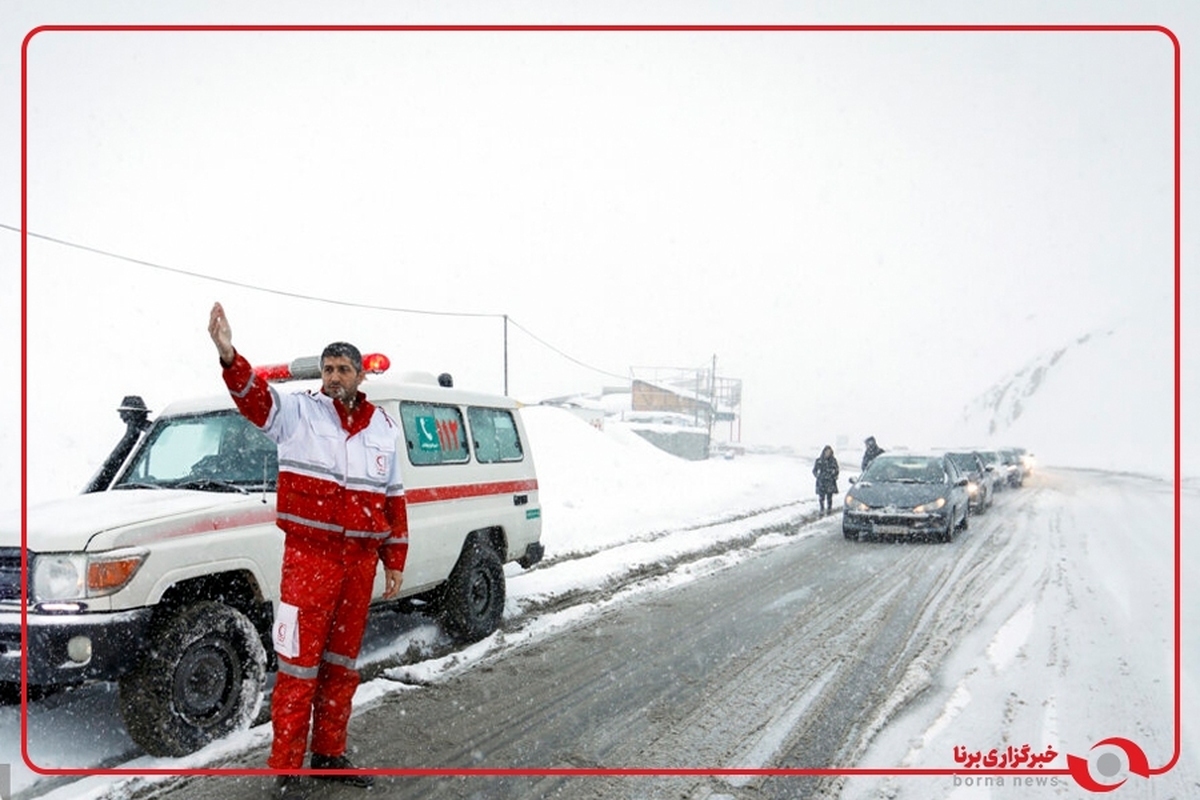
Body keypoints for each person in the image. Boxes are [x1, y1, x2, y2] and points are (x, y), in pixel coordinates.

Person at [207, 302, 407, 798]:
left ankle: (329, 755)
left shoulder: (384, 426)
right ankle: (287, 768)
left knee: (342, 667)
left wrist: (393, 559)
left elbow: (393, 499)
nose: (334, 376)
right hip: (309, 560)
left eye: (343, 369)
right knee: (298, 668)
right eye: (328, 369)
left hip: (359, 564)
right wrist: (230, 355)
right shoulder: (298, 412)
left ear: (360, 375)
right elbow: (255, 401)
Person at [812, 445, 840, 514]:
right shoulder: (819, 461)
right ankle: (822, 508)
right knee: (821, 497)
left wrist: (835, 475)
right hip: (822, 481)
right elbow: (814, 470)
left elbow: (837, 469)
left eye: (829, 452)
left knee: (829, 497)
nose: (828, 453)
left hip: (830, 481)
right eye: (827, 452)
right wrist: (817, 476)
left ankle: (829, 509)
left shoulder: (833, 461)